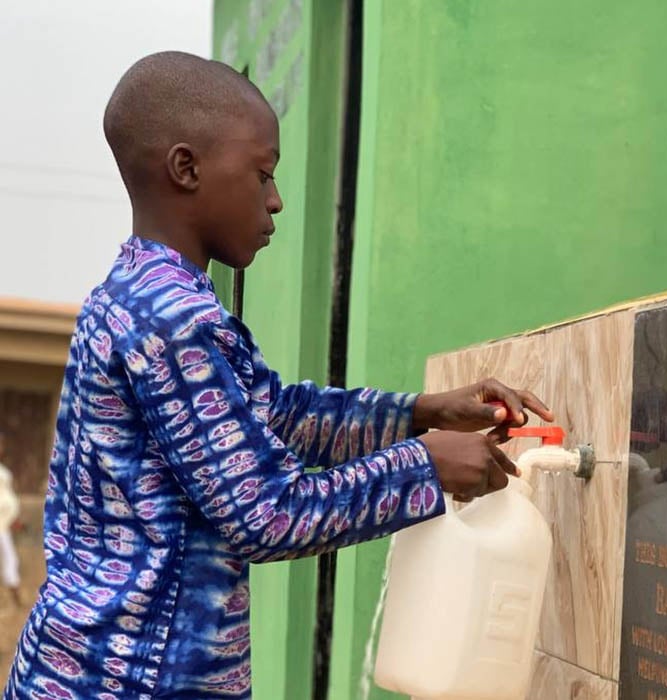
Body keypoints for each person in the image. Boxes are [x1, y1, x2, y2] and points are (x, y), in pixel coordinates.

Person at [3, 52, 554, 699]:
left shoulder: (138, 296)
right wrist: (422, 467)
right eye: (261, 174)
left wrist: (423, 412)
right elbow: (266, 513)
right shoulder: (174, 319)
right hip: (129, 681)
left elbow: (274, 414)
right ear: (187, 169)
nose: (276, 200)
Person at [0, 433, 21, 609]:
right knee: (9, 557)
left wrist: (13, 518)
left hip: (3, 524)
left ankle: (15, 598)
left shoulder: (4, 472)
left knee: (9, 558)